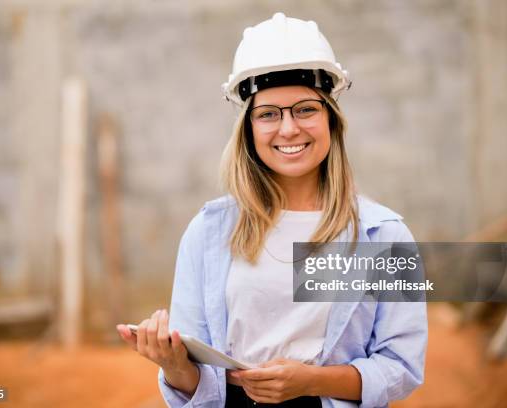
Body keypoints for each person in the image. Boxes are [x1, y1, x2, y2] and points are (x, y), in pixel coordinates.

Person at [117, 12, 427, 408]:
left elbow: (400, 367)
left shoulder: (385, 236)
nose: (288, 129)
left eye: (305, 109)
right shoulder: (208, 232)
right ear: (248, 128)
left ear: (331, 119)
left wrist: (311, 382)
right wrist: (173, 364)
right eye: (268, 114)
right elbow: (196, 383)